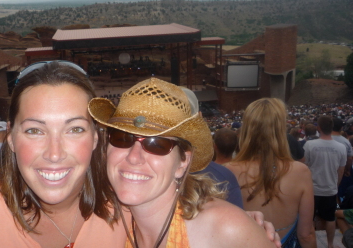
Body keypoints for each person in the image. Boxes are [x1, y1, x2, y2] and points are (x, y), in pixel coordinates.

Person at [0, 61, 126, 248]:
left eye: (75, 129)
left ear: (95, 138)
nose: (54, 154)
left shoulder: (130, 212)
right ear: (11, 136)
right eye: (34, 130)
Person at [89, 78, 277, 248]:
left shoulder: (224, 231)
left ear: (183, 162)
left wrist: (244, 228)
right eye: (122, 138)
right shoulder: (107, 219)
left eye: (157, 144)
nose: (133, 157)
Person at [226, 98, 316, 248]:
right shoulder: (301, 172)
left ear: (247, 129)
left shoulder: (227, 171)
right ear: (281, 129)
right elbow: (306, 234)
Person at [304, 115, 346, 248]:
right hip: (330, 189)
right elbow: (341, 170)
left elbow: (305, 166)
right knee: (330, 218)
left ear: (319, 128)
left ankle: (313, 244)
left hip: (312, 189)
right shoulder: (341, 147)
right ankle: (330, 244)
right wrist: (336, 184)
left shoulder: (310, 144)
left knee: (310, 219)